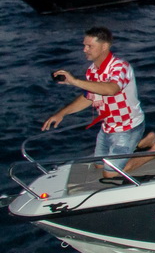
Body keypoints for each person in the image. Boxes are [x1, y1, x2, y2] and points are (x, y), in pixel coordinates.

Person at [43, 26, 146, 183]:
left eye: (89, 46)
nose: (84, 50)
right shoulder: (92, 71)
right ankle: (148, 140)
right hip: (108, 127)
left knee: (110, 174)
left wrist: (75, 81)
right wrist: (61, 113)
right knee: (99, 166)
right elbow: (89, 97)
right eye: (84, 45)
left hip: (127, 127)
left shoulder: (120, 67)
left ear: (104, 46)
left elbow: (111, 89)